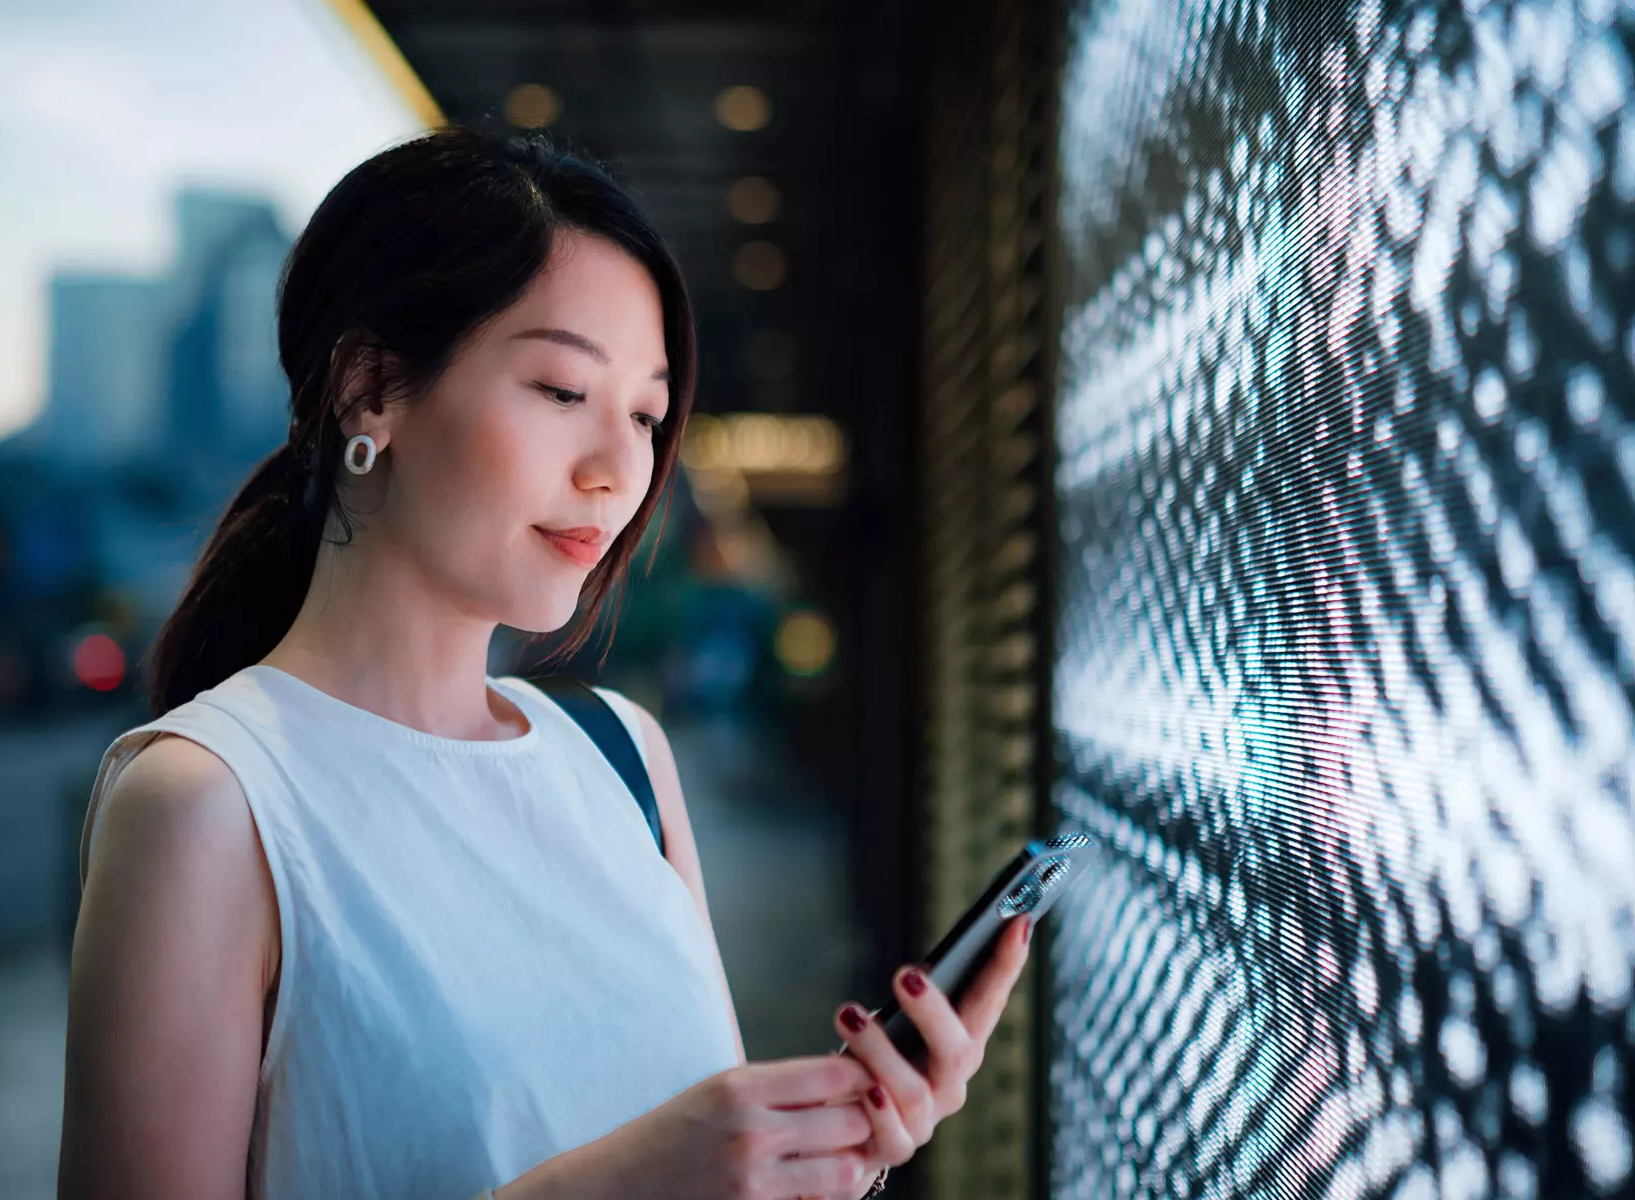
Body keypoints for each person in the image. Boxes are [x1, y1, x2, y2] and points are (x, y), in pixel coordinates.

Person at [56, 125, 1033, 1200]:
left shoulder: (621, 757)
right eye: (563, 393)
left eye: (648, 415)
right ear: (369, 387)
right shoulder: (208, 802)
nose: (619, 470)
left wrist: (832, 1152)